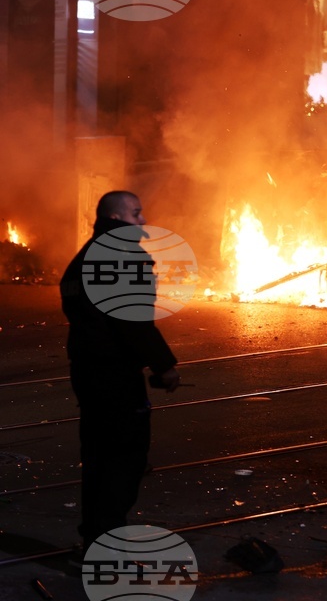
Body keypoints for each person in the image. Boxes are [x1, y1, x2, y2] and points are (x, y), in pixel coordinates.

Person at [59, 190, 181, 555]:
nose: (143, 220)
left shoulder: (85, 254)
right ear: (116, 217)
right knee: (124, 457)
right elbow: (133, 319)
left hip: (87, 369)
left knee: (97, 456)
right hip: (114, 374)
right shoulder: (121, 254)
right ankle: (107, 542)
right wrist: (164, 365)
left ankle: (94, 535)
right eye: (136, 213)